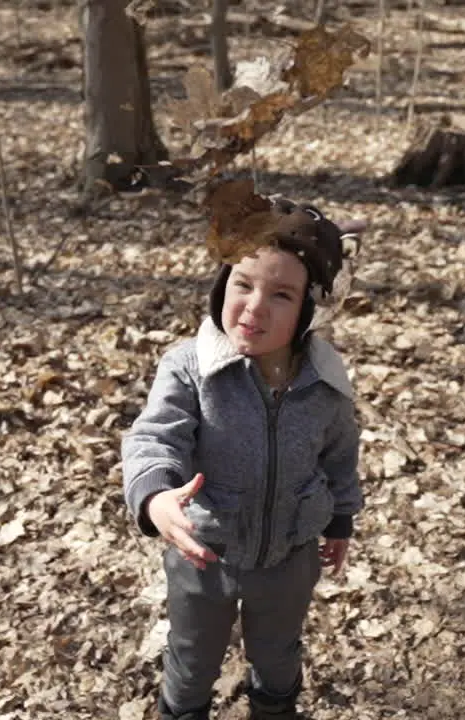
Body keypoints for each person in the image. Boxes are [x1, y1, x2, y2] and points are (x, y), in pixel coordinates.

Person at [121, 195, 366, 720]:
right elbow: (154, 436)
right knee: (191, 660)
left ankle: (274, 708)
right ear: (221, 286)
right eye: (243, 285)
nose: (255, 307)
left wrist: (340, 518)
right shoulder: (191, 368)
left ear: (308, 309)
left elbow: (340, 451)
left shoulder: (323, 381)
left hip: (289, 556)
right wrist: (157, 494)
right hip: (204, 554)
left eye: (281, 294)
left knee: (277, 657)